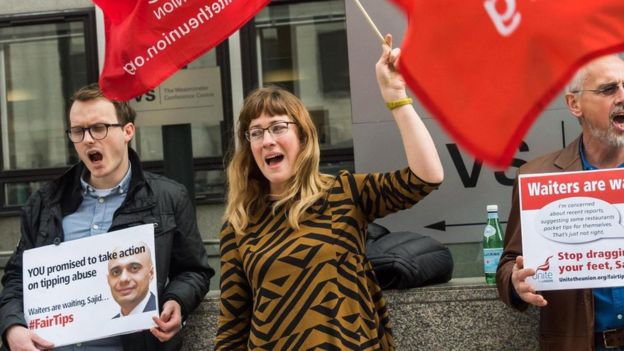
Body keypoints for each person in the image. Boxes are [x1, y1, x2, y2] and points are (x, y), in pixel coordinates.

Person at [214, 34, 444, 350]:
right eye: (256, 132)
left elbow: (426, 177)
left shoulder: (343, 193)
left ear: (303, 137)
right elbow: (232, 327)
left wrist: (397, 97)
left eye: (278, 127)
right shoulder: (238, 224)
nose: (267, 140)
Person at [0, 83, 214, 351]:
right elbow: (18, 279)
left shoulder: (168, 198)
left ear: (127, 131)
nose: (88, 139)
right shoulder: (44, 203)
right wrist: (12, 327)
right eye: (78, 131)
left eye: (99, 128)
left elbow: (193, 270)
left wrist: (177, 301)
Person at [496, 54, 624, 350]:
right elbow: (507, 265)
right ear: (574, 104)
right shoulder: (538, 177)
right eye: (608, 89)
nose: (622, 96)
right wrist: (516, 283)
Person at [108, 242, 157, 318]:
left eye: (134, 268)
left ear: (151, 273)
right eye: (116, 272)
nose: (123, 279)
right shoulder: (109, 326)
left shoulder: (164, 312)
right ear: (108, 280)